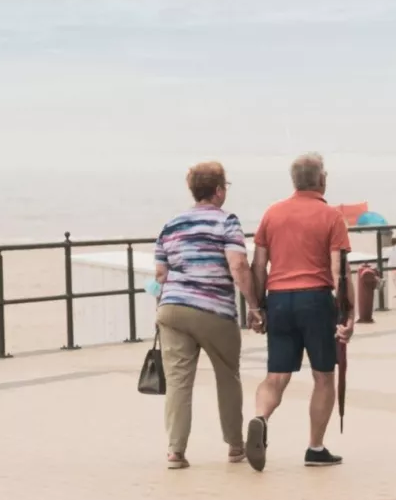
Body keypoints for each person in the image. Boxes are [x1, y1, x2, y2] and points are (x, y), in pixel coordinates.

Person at [246, 152, 355, 471]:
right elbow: (340, 270)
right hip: (315, 300)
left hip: (279, 300)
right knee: (323, 376)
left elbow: (258, 264)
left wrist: (258, 306)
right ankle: (315, 448)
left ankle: (260, 417)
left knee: (276, 376)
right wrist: (347, 316)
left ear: (294, 180)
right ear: (322, 179)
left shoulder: (272, 213)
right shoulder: (332, 217)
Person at [152, 162, 259, 469]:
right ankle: (235, 446)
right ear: (219, 190)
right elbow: (238, 266)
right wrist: (253, 305)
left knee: (178, 382)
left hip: (172, 308)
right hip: (214, 310)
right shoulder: (226, 222)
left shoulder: (171, 224)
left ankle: (175, 451)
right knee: (227, 375)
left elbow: (160, 272)